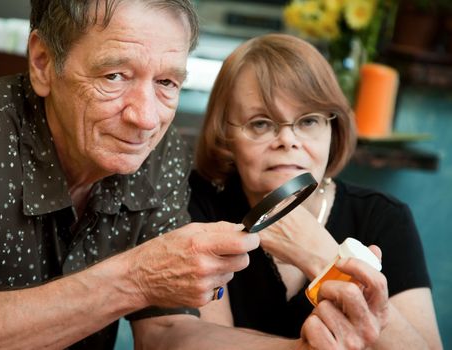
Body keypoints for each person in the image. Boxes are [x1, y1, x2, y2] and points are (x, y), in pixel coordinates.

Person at [0, 1, 388, 348]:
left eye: (167, 82)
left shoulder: (160, 152)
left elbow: (167, 329)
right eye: (114, 76)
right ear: (44, 63)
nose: (146, 118)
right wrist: (136, 278)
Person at [189, 33, 443, 349]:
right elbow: (196, 340)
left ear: (332, 131)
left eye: (308, 121)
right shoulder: (199, 205)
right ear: (225, 135)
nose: (288, 140)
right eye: (261, 124)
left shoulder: (384, 217)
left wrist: (322, 256)